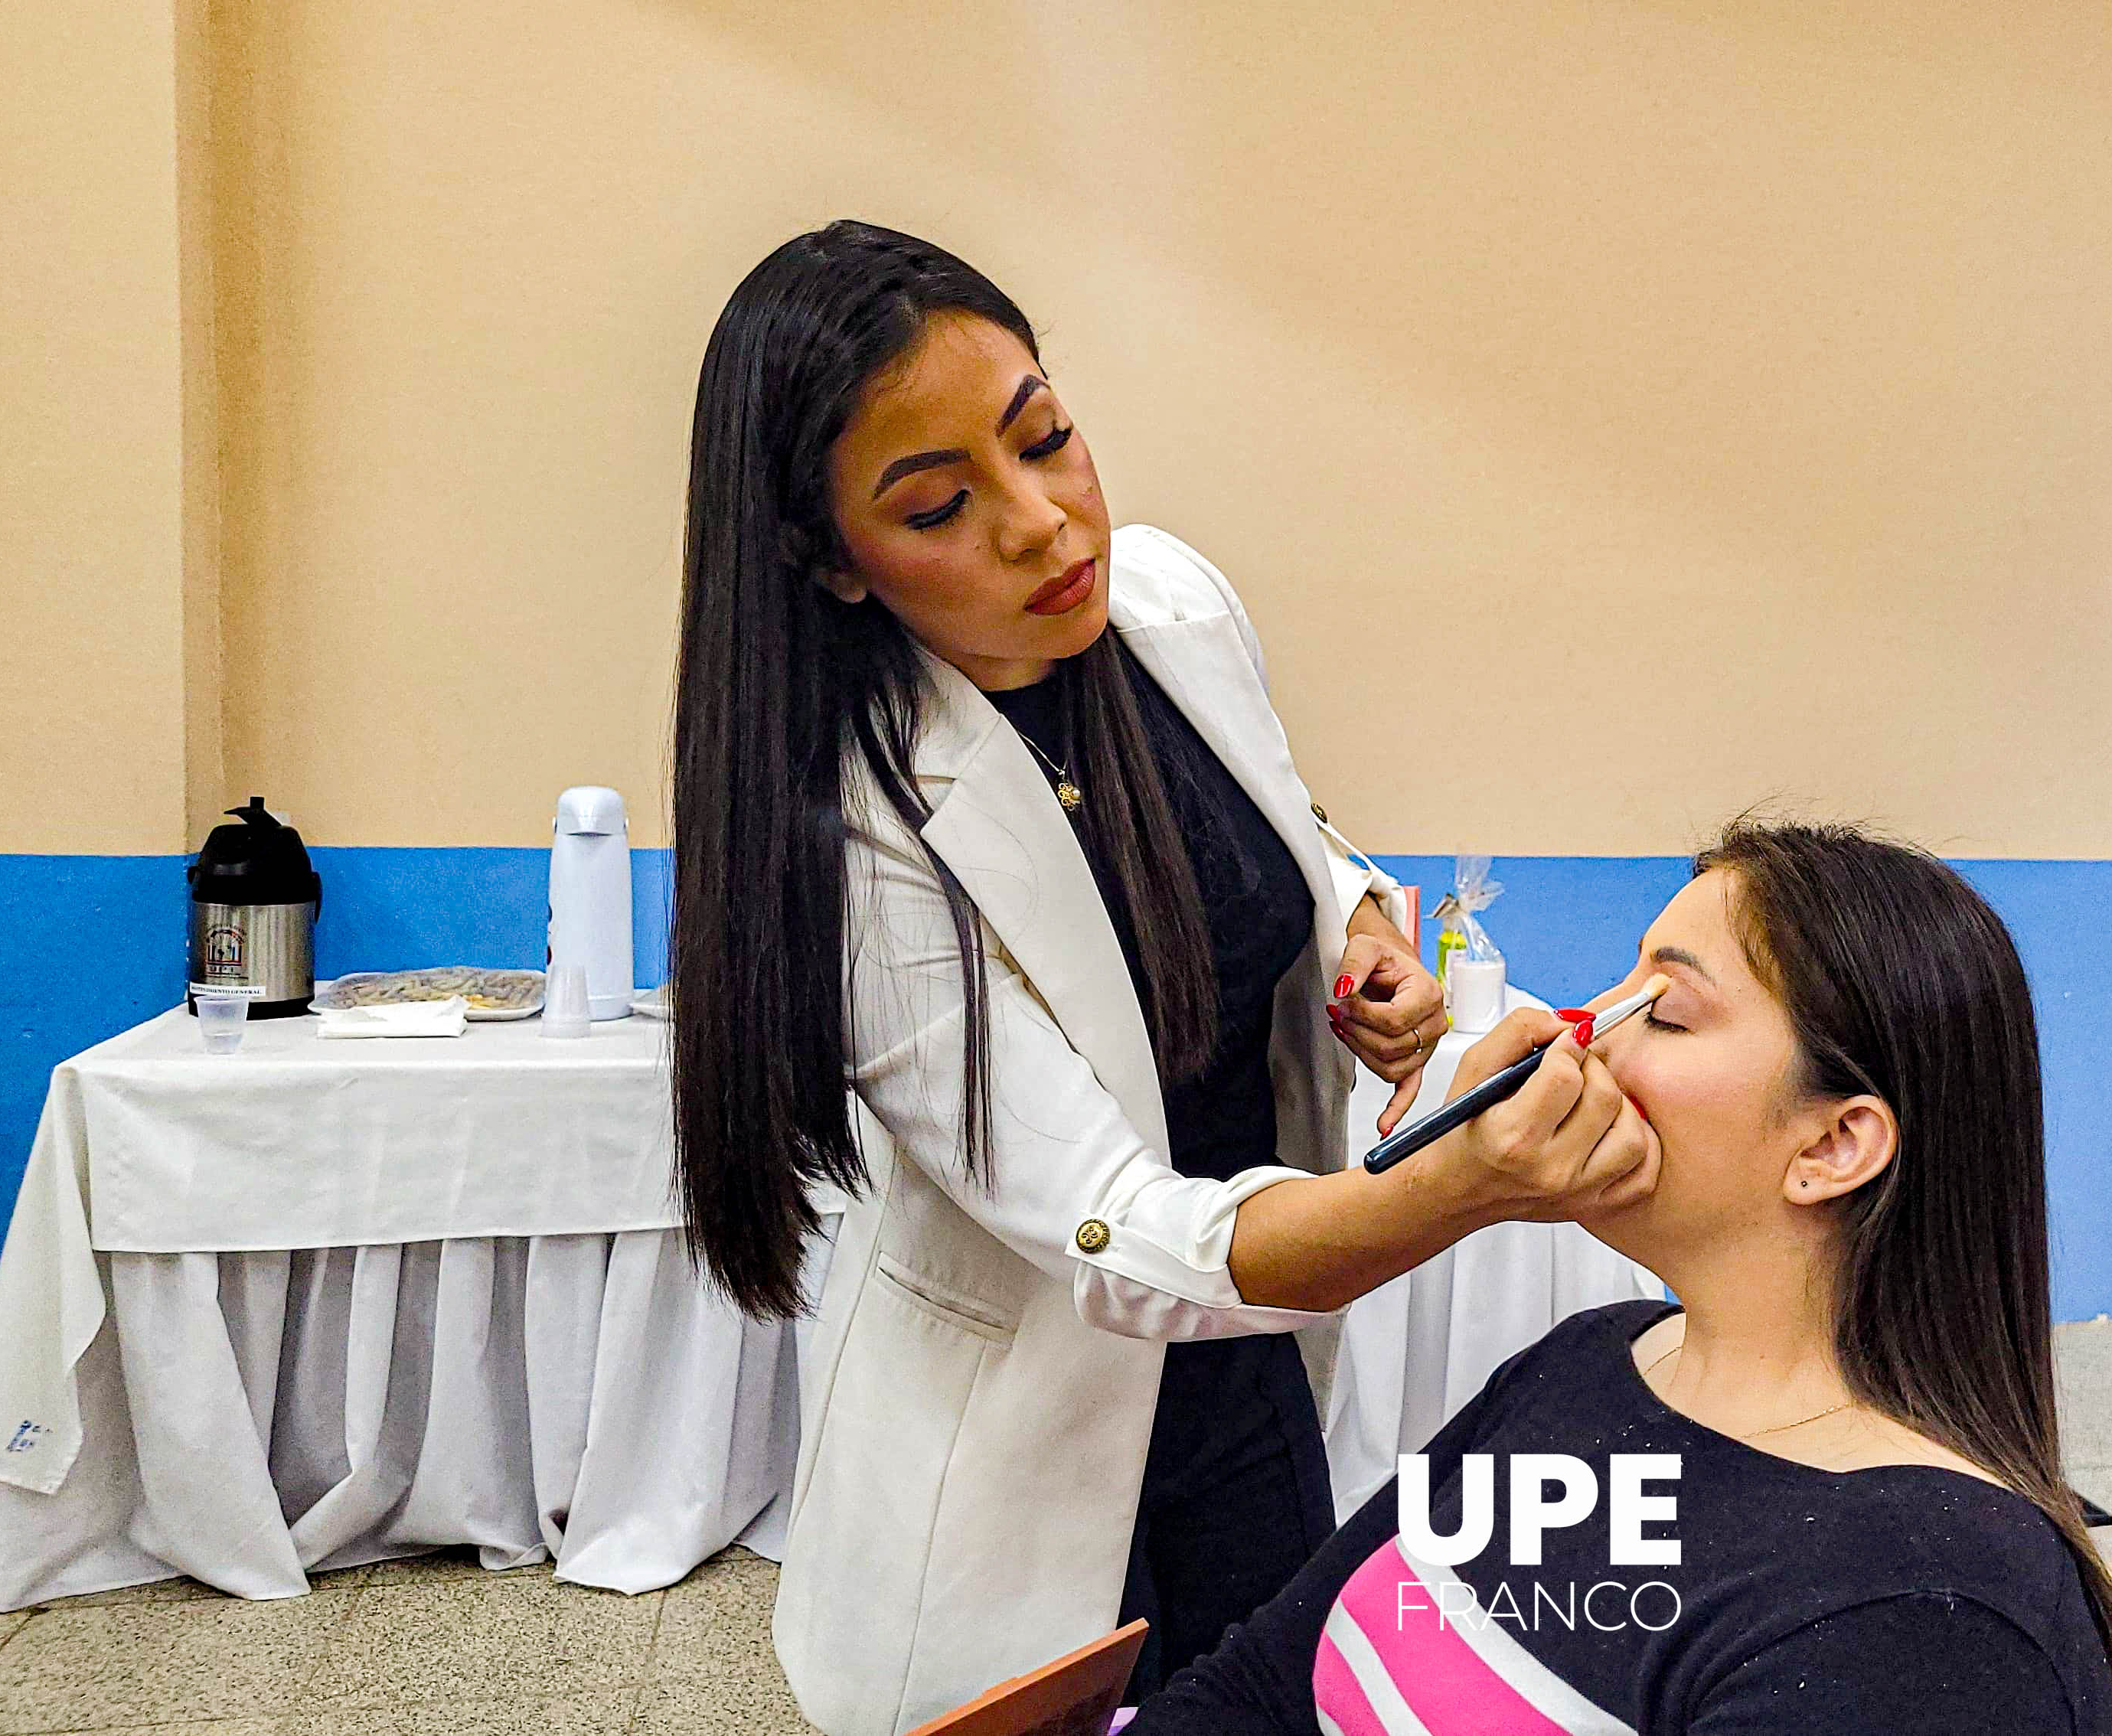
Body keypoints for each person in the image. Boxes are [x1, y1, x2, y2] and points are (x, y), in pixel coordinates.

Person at [666, 221, 1660, 1736]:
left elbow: (1290, 829)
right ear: (831, 561)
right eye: (940, 506)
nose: (1044, 524)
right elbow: (1117, 1234)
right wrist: (1453, 1188)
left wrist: (1362, 942)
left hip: (1248, 1381)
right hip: (1040, 1432)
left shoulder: (1170, 604)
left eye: (1047, 438)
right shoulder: (853, 834)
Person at [1128, 819, 2112, 1734]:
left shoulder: (1932, 1619)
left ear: (1833, 1145)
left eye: (1662, 1011)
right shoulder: (1583, 1366)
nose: (1578, 1029)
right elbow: (1262, 1685)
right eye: (1619, 985)